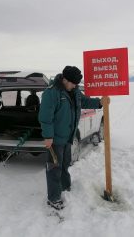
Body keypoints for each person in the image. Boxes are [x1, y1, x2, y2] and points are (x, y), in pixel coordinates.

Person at [38, 66, 109, 210]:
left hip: (67, 137)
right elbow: (46, 118)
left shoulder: (74, 91)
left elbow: (84, 101)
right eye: (73, 83)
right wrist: (48, 136)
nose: (75, 86)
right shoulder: (51, 93)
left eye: (76, 83)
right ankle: (53, 198)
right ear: (64, 79)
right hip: (55, 139)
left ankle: (65, 187)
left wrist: (99, 103)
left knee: (65, 164)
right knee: (54, 168)